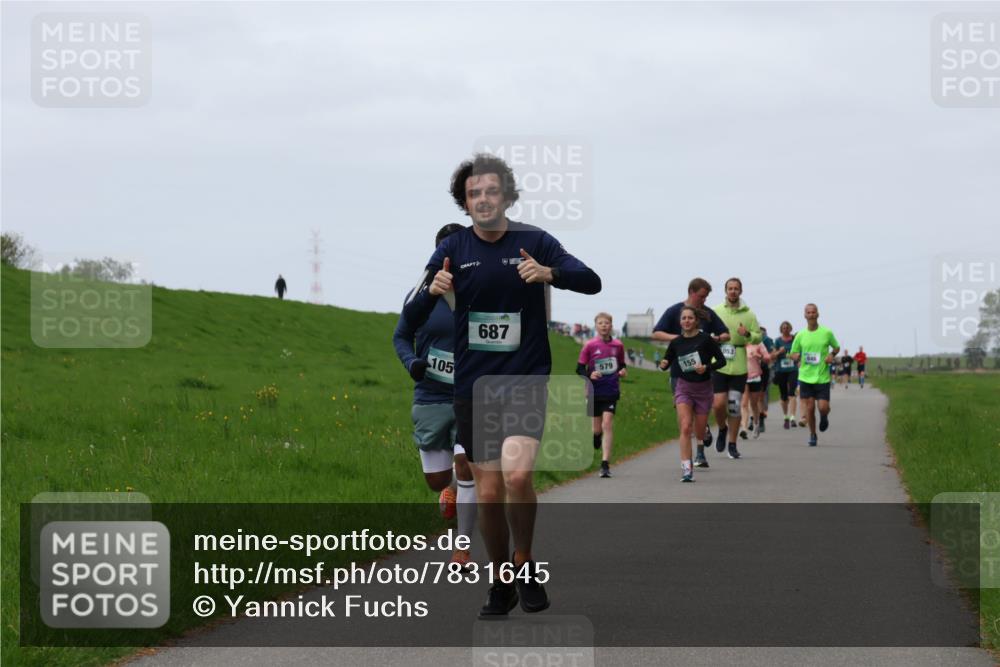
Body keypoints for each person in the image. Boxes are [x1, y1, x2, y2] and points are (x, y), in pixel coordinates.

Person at [403, 153, 601, 618]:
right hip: (475, 389)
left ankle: (524, 560)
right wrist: (432, 290)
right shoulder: (453, 250)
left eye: (492, 191)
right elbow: (409, 317)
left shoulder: (535, 241)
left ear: (507, 196)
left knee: (516, 476)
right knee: (488, 493)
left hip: (526, 378)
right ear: (464, 202)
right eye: (474, 193)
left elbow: (591, 281)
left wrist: (550, 273)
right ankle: (500, 581)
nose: (484, 199)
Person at [393, 224, 475, 568]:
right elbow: (400, 337)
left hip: (471, 397)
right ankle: (450, 489)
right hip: (430, 395)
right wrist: (412, 362)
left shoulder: (479, 293)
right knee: (437, 480)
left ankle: (463, 549)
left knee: (466, 466)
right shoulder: (420, 297)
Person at [651, 277, 730, 468]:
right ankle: (693, 454)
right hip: (679, 373)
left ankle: (701, 452)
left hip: (701, 375)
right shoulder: (674, 311)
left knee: (697, 414)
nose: (704, 300)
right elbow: (656, 333)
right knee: (686, 418)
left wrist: (715, 338)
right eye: (702, 296)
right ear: (692, 292)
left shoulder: (707, 314)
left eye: (706, 297)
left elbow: (727, 334)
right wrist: (679, 338)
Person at [663, 306, 727, 481]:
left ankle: (704, 434)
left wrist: (707, 367)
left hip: (703, 389)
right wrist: (664, 363)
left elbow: (721, 361)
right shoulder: (676, 342)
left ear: (696, 320)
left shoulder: (706, 340)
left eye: (690, 318)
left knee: (699, 431)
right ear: (680, 322)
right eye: (683, 318)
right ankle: (686, 468)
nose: (686, 321)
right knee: (685, 427)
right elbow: (668, 358)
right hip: (683, 388)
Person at [710, 278, 763, 460]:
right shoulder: (716, 311)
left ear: (741, 291)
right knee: (718, 404)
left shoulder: (749, 314)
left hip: (740, 365)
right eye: (730, 288)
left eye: (736, 289)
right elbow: (706, 330)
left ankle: (732, 444)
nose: (733, 291)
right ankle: (722, 429)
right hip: (719, 363)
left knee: (733, 406)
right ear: (725, 291)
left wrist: (747, 334)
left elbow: (758, 337)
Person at [577, 312, 627, 478]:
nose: (604, 325)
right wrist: (589, 375)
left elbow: (622, 364)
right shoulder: (589, 345)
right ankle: (595, 437)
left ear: (611, 326)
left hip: (611, 391)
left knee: (607, 424)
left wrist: (622, 371)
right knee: (597, 429)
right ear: (596, 326)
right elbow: (579, 368)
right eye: (601, 323)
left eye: (607, 323)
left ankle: (605, 463)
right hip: (593, 391)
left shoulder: (618, 345)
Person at [790, 303, 840, 446]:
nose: (811, 315)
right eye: (808, 312)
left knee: (823, 407)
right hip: (805, 377)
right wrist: (796, 357)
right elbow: (792, 353)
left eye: (813, 312)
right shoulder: (800, 335)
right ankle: (812, 434)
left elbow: (836, 347)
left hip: (822, 377)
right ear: (805, 315)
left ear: (818, 314)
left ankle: (824, 416)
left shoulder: (826, 332)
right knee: (810, 408)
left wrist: (831, 355)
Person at [771, 321, 799, 429]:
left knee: (792, 393)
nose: (785, 329)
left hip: (792, 369)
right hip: (781, 370)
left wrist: (795, 356)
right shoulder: (777, 341)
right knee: (783, 396)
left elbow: (798, 352)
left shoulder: (794, 340)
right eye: (783, 328)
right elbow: (772, 356)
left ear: (790, 329)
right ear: (781, 329)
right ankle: (785, 416)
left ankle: (792, 417)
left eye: (787, 327)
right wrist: (779, 351)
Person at [740, 340, 770, 440]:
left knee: (754, 404)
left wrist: (760, 356)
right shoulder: (739, 342)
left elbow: (767, 358)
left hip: (755, 377)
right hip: (743, 376)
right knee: (744, 403)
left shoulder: (758, 343)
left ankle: (756, 424)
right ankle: (744, 428)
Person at [758, 326, 774, 433]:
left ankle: (761, 416)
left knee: (762, 393)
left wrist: (765, 358)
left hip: (764, 369)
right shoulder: (746, 339)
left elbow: (772, 353)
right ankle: (751, 419)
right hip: (749, 370)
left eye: (762, 332)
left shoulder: (767, 340)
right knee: (747, 397)